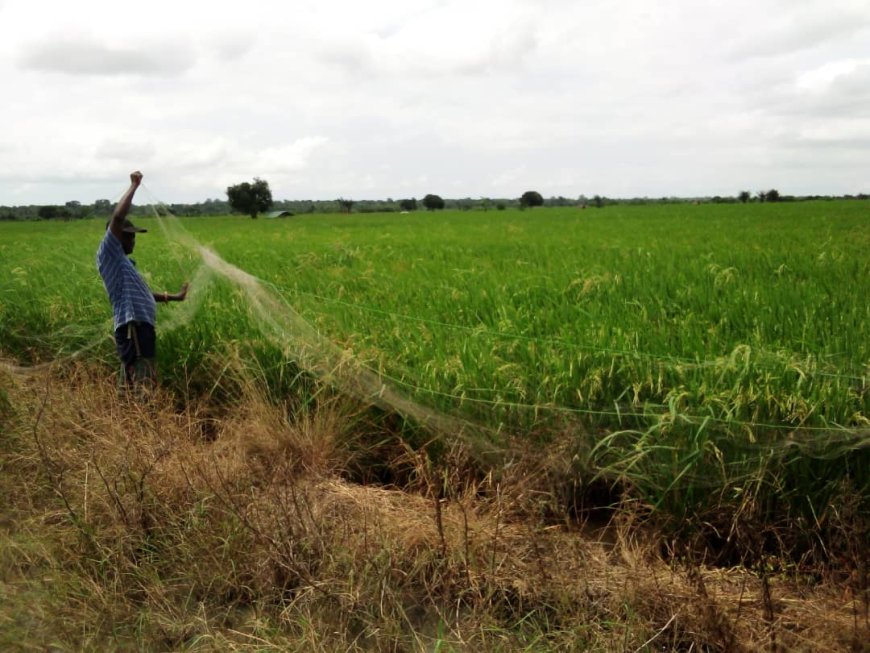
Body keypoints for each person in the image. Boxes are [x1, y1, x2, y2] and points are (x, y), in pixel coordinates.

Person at [96, 171, 188, 388]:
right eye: (129, 235)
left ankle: (127, 418)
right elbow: (117, 219)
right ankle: (143, 417)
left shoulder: (126, 264)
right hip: (133, 326)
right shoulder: (109, 253)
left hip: (140, 327)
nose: (133, 240)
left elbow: (142, 294)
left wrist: (174, 297)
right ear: (117, 236)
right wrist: (134, 186)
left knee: (133, 375)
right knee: (141, 376)